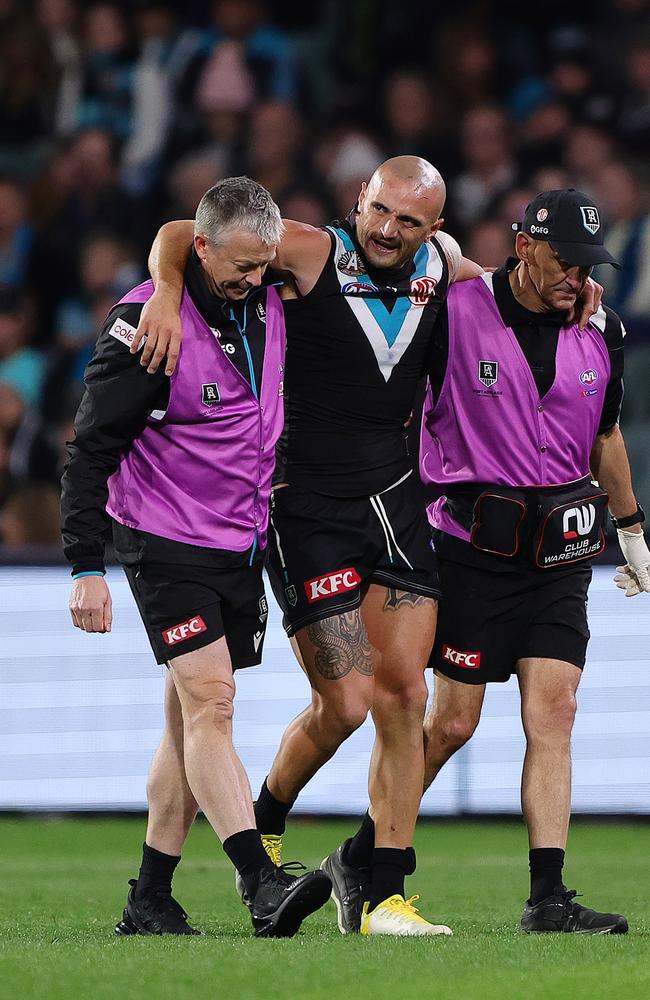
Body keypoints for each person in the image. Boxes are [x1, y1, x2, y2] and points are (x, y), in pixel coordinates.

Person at [134, 158, 602, 936]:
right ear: (360, 198)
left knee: (405, 698)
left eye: (409, 221)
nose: (389, 230)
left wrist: (572, 288)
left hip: (396, 503)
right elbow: (187, 233)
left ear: (434, 229)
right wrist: (168, 290)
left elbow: (502, 286)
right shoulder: (311, 250)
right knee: (344, 703)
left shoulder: (443, 269)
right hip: (305, 508)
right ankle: (267, 814)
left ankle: (384, 893)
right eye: (380, 210)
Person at [60, 176, 331, 939]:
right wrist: (85, 565)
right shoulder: (147, 327)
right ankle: (260, 882)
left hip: (239, 540)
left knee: (187, 720)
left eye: (264, 266)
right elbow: (87, 454)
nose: (254, 280)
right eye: (240, 267)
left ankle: (150, 898)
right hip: (164, 540)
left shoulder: (270, 294)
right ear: (200, 248)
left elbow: (199, 235)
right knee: (212, 700)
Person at [417, 189, 646, 934]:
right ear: (524, 247)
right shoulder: (454, 310)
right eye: (565, 259)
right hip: (473, 550)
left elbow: (607, 435)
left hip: (561, 551)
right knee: (452, 724)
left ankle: (548, 898)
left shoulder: (602, 328)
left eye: (588, 264)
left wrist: (633, 529)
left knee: (555, 710)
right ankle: (370, 849)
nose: (577, 276)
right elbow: (421, 262)